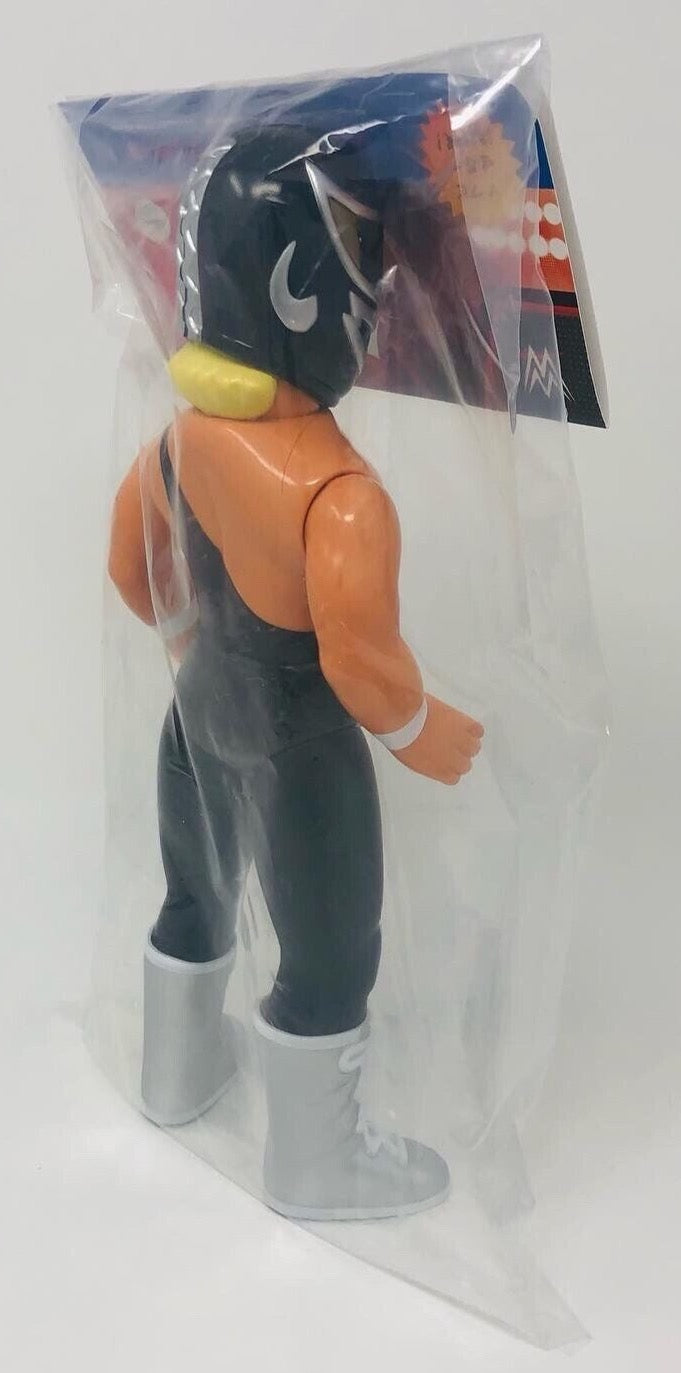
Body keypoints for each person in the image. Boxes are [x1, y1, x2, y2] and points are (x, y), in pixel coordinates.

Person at [108, 126, 483, 1220]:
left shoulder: (177, 441)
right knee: (327, 953)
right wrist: (424, 730)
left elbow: (132, 568)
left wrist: (193, 651)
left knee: (196, 892)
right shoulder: (338, 491)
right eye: (361, 255)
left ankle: (175, 1074)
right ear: (302, 282)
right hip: (304, 743)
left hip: (198, 713)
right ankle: (317, 1164)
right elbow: (357, 658)